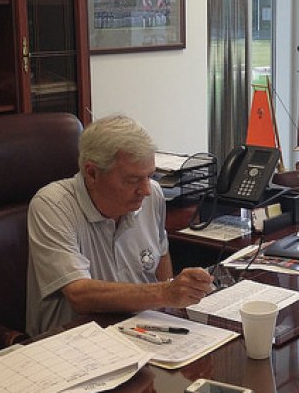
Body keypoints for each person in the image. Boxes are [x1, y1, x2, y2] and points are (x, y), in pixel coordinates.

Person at [25, 114, 214, 336]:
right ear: (92, 173)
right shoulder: (52, 205)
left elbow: (161, 255)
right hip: (73, 343)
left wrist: (171, 307)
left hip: (142, 330)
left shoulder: (152, 194)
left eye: (149, 176)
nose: (145, 189)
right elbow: (79, 295)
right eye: (133, 180)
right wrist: (166, 292)